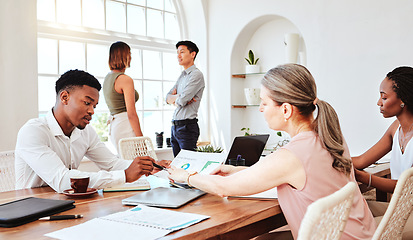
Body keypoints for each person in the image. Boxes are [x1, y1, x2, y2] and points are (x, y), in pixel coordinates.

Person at [168, 64, 375, 239]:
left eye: (264, 102)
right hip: (360, 233)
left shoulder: (291, 156)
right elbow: (300, 177)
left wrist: (186, 176)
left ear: (286, 110)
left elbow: (224, 188)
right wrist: (237, 170)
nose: (260, 108)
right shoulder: (331, 137)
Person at [15, 69, 169, 193]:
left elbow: (112, 164)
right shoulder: (33, 131)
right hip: (29, 213)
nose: (92, 111)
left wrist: (145, 167)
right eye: (87, 103)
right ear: (64, 97)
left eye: (94, 106)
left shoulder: (86, 132)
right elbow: (62, 180)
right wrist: (125, 175)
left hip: (67, 205)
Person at [352, 66, 413, 238]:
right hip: (401, 208)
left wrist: (364, 177)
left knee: (356, 230)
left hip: (409, 211)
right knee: (349, 209)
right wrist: (327, 156)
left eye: (384, 97)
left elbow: (407, 188)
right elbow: (362, 160)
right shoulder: (396, 128)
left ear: (403, 99)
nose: (379, 102)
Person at [166, 40, 205, 157]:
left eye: (182, 52)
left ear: (192, 54)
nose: (178, 56)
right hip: (175, 127)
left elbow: (181, 101)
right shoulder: (182, 76)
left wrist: (178, 98)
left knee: (188, 166)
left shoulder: (196, 75)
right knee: (177, 167)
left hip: (187, 128)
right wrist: (178, 96)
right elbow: (167, 98)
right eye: (177, 52)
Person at [103, 41, 142, 153]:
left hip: (115, 126)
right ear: (123, 56)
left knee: (127, 163)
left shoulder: (108, 78)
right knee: (138, 164)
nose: (130, 57)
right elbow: (131, 113)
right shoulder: (125, 79)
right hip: (125, 125)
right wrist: (141, 139)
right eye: (129, 53)